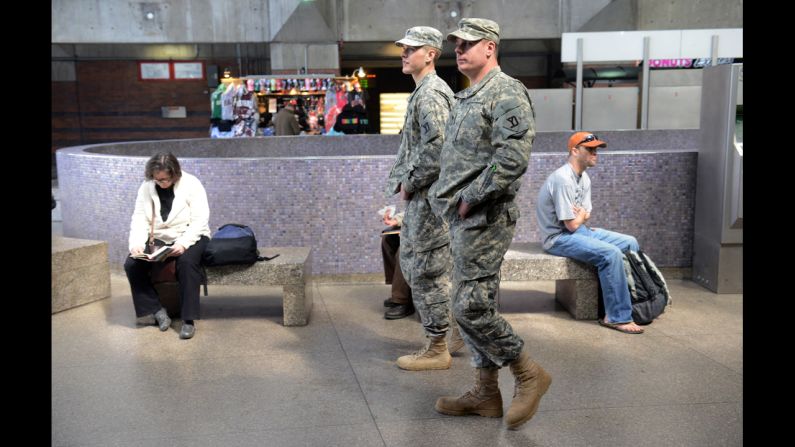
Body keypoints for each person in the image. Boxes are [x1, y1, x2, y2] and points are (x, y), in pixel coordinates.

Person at [428, 18, 551, 429]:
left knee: (470, 305)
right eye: (456, 45)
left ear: (490, 48)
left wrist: (470, 198)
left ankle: (528, 371)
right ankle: (485, 392)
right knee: (469, 304)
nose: (459, 51)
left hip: (485, 216)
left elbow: (512, 159)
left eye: (468, 44)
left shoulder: (506, 92)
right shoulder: (468, 96)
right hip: (465, 219)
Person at [386, 26, 457, 371]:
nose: (403, 53)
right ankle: (448, 335)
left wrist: (411, 182)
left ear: (430, 53)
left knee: (426, 270)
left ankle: (437, 347)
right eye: (403, 48)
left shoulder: (430, 94)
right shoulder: (426, 91)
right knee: (425, 267)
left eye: (411, 48)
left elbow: (438, 149)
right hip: (428, 199)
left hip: (431, 201)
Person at [536, 131, 645, 334]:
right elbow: (571, 225)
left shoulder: (584, 178)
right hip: (558, 239)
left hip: (579, 232)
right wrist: (582, 217)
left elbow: (585, 216)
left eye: (596, 149)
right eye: (590, 149)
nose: (595, 153)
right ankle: (616, 317)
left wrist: (582, 217)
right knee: (610, 254)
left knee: (630, 243)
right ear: (575, 151)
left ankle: (636, 300)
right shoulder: (562, 179)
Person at [124, 153, 211, 340]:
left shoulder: (192, 184)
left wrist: (183, 243)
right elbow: (139, 218)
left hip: (191, 235)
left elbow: (200, 220)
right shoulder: (147, 188)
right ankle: (156, 309)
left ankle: (188, 320)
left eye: (165, 179)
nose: (161, 183)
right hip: (160, 238)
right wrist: (137, 244)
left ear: (175, 173)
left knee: (187, 263)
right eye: (157, 179)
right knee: (132, 264)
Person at [380, 209, 415, 319]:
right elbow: (414, 207)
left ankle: (402, 300)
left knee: (405, 249)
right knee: (388, 239)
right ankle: (399, 290)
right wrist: (397, 219)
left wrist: (401, 221)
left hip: (438, 232)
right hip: (421, 225)